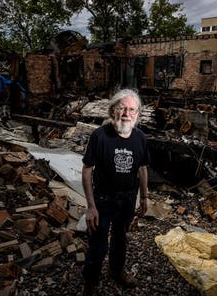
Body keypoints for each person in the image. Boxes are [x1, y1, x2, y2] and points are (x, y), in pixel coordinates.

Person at [81, 89, 149, 295]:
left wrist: (144, 197)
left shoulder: (140, 138)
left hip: (127, 198)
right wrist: (91, 206)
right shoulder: (99, 136)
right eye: (122, 108)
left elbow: (142, 168)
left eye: (132, 110)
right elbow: (87, 170)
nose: (127, 113)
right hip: (103, 199)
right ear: (112, 111)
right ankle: (90, 282)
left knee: (120, 238)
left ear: (137, 114)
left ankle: (116, 271)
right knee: (98, 243)